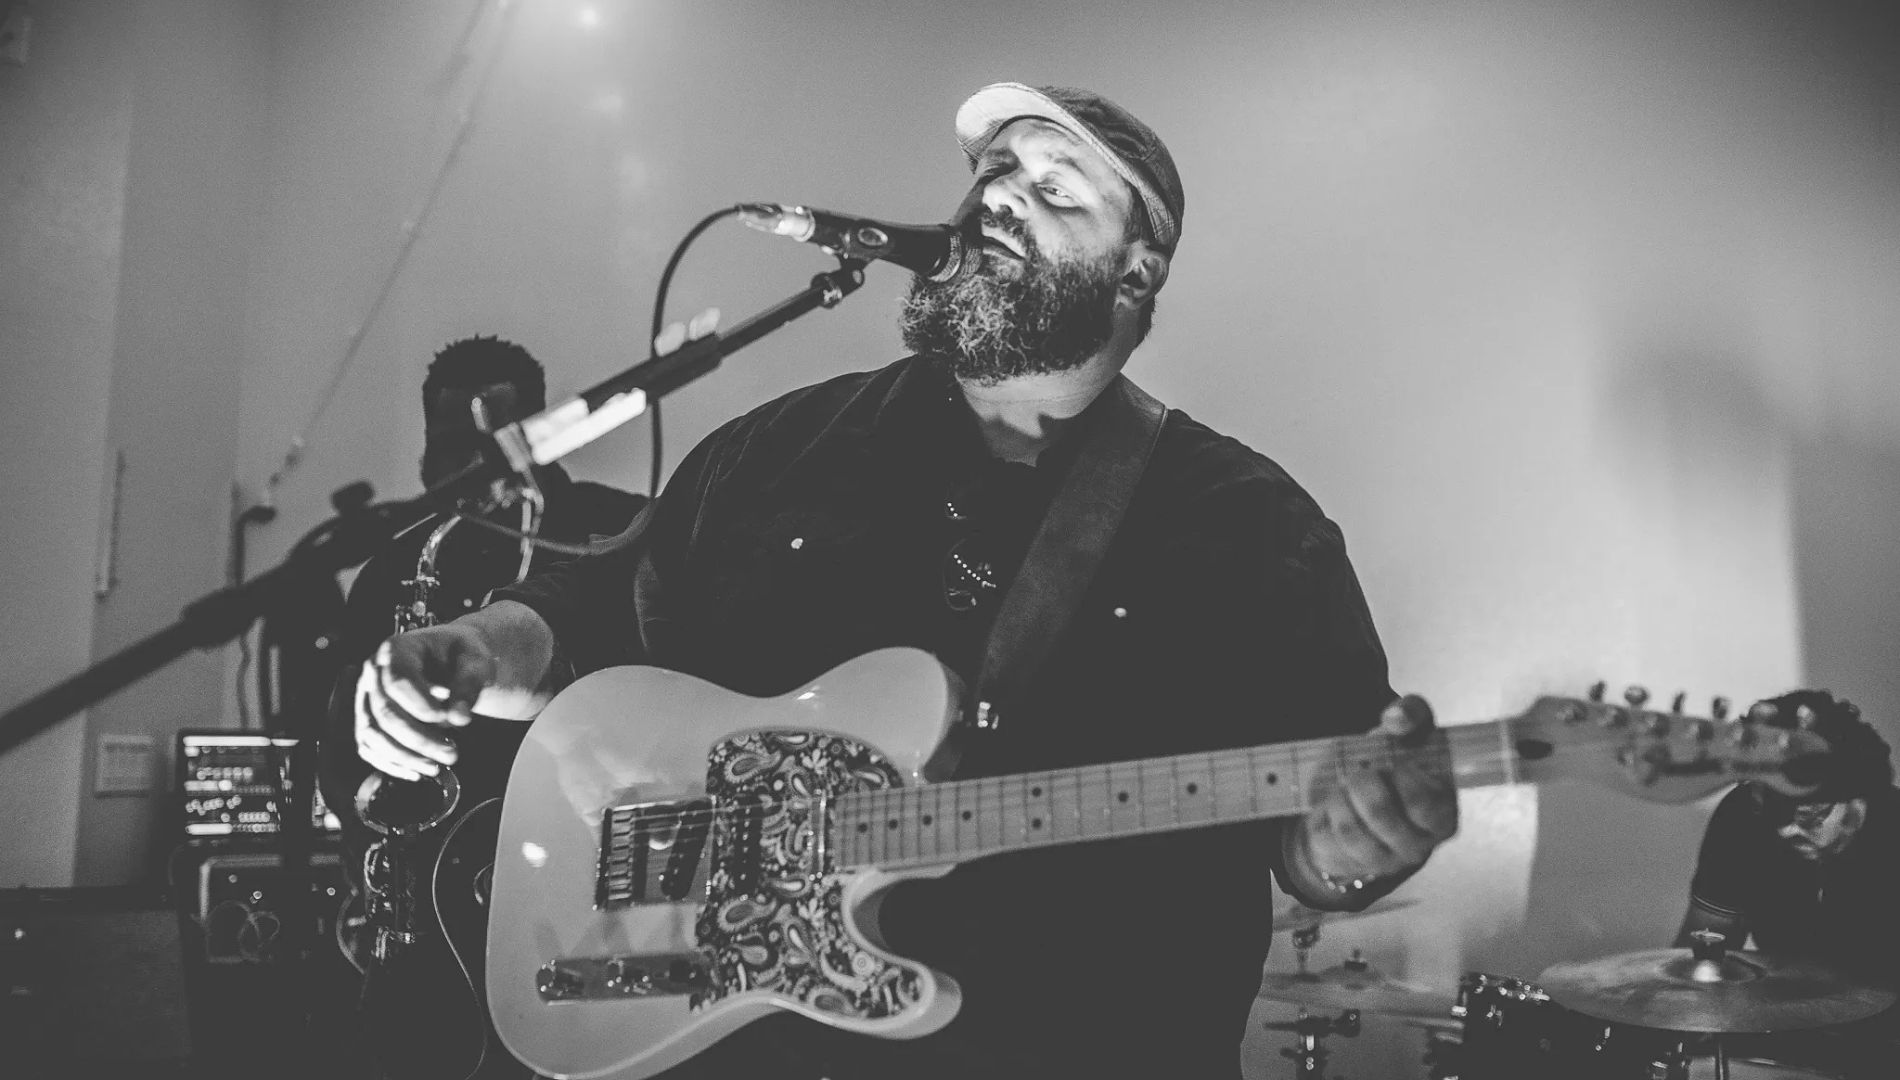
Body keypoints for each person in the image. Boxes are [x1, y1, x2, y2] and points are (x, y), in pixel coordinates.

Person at [352, 83, 1459, 1080]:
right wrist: (481, 649)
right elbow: (593, 612)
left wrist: (1353, 847)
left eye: (1054, 187)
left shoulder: (1254, 530)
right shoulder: (776, 450)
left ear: (1136, 271)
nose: (998, 199)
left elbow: (1321, 833)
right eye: (991, 173)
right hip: (738, 1052)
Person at [318, 334, 644, 1079]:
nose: (461, 464)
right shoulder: (395, 564)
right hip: (428, 912)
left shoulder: (617, 529)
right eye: (443, 444)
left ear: (534, 426)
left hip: (588, 899)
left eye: (483, 439)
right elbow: (339, 738)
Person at [1677, 689, 1899, 981]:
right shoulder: (1741, 818)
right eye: (1770, 813)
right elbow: (1703, 947)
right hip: (1782, 1014)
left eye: (1809, 816)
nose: (1786, 830)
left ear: (1859, 798)